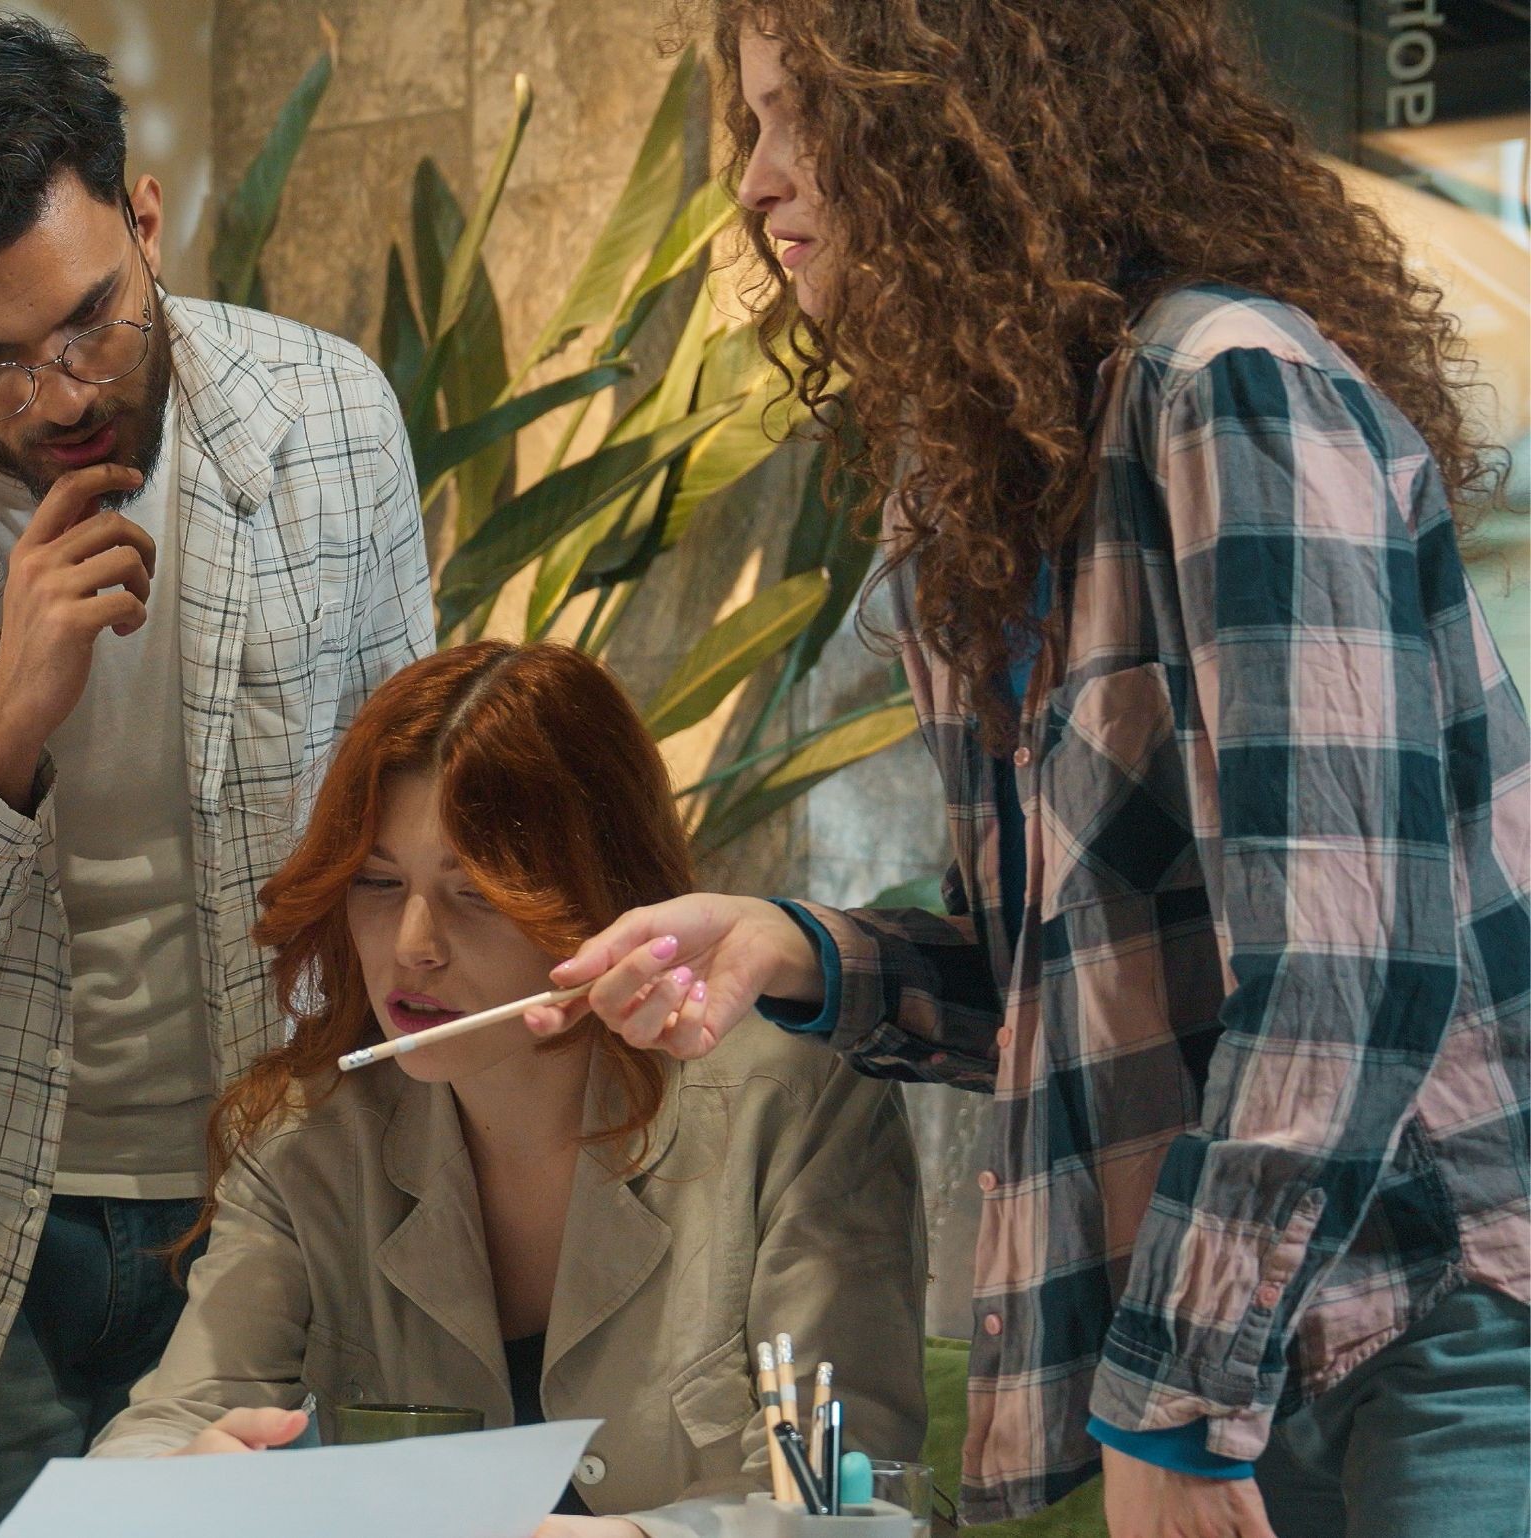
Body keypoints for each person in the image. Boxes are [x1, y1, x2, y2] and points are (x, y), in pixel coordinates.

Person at [536, 7, 1531, 1537]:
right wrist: (795, 949)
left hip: (1438, 1326)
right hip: (1257, 1340)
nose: (761, 182)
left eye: (811, 116)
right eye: (754, 127)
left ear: (963, 114)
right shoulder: (972, 493)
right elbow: (1062, 986)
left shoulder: (1227, 386)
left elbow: (1350, 962)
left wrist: (1180, 1398)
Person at [0, 14, 433, 1532]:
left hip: (293, 1198)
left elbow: (403, 845)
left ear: (148, 219)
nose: (55, 393)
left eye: (92, 319)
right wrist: (1, 739)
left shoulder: (332, 427)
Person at [89, 641, 926, 1537]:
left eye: (476, 895)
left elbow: (854, 1493)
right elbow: (172, 1417)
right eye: (378, 883)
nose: (414, 943)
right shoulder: (310, 1136)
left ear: (599, 897)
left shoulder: (794, 1098)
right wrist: (173, 1488)